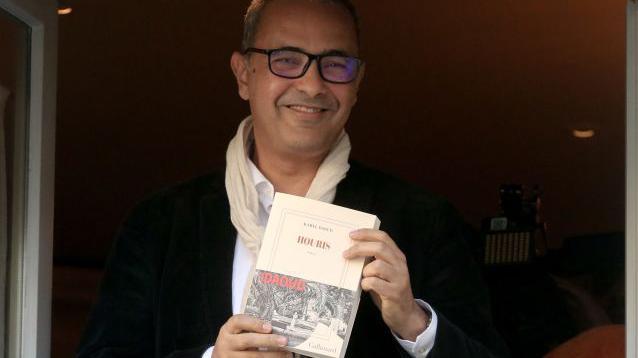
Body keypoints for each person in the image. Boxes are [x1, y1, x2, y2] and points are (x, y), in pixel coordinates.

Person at [77, 0, 509, 357]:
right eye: (286, 60)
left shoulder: (422, 221)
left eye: (335, 64)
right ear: (244, 74)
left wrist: (414, 323)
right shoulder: (160, 224)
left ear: (357, 82)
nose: (312, 83)